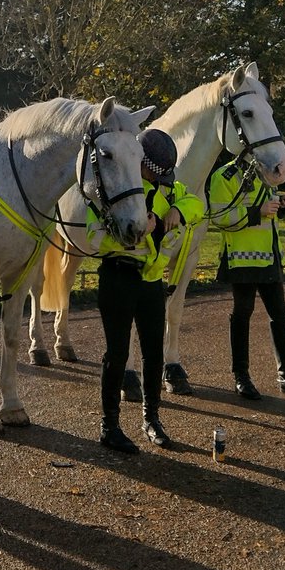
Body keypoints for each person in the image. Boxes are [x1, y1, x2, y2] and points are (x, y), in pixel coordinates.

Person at [86, 128, 204, 454]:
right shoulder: (111, 187)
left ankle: (151, 419)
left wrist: (178, 211)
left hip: (151, 282)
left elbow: (196, 203)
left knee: (154, 354)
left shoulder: (168, 188)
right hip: (118, 278)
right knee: (117, 354)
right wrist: (137, 233)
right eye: (155, 171)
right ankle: (109, 425)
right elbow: (94, 238)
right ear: (140, 163)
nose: (160, 178)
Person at [209, 159, 285, 401]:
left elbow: (269, 212)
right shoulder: (225, 176)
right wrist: (259, 211)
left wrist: (280, 206)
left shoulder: (267, 171)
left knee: (279, 313)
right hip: (242, 257)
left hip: (270, 254)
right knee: (242, 313)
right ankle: (241, 377)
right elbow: (218, 216)